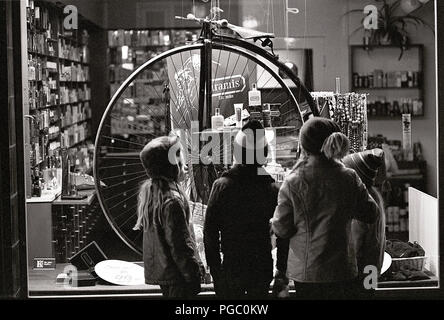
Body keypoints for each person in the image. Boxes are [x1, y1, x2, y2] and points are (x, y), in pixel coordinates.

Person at [271, 117, 378, 299]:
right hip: (342, 269)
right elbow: (370, 213)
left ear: (304, 145)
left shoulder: (294, 181)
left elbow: (282, 229)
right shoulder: (349, 177)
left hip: (307, 273)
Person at [204, 120, 278, 299]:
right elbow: (282, 233)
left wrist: (216, 273)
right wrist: (282, 270)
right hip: (262, 267)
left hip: (232, 266)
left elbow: (210, 233)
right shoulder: (271, 189)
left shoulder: (222, 186)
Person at [133, 135, 201, 298]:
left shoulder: (154, 194)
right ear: (171, 166)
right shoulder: (172, 201)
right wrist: (195, 275)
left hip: (167, 276)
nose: (185, 166)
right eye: (180, 160)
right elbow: (180, 246)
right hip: (179, 278)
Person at [343, 148, 386, 279]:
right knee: (370, 292)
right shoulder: (374, 195)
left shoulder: (362, 201)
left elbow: (356, 245)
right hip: (372, 269)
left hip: (361, 273)